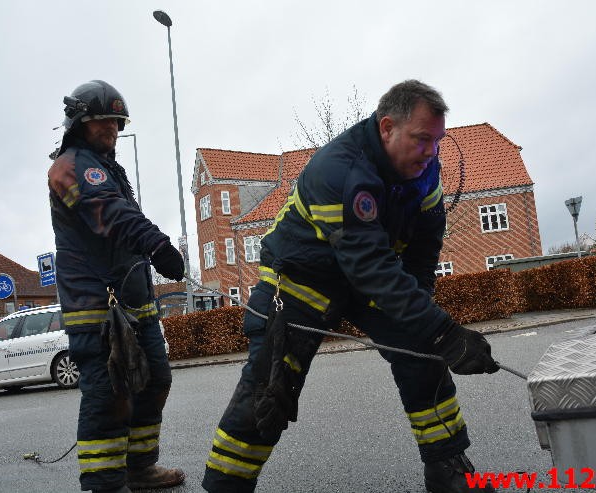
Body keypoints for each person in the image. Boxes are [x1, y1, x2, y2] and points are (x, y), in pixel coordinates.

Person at [202, 80, 498, 493]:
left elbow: (422, 252)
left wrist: (426, 325)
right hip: (301, 278)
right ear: (387, 128)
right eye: (421, 139)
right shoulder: (339, 171)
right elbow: (369, 266)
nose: (431, 151)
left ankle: (447, 467)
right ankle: (225, 484)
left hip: (366, 273)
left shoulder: (425, 172)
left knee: (422, 353)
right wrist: (445, 331)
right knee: (271, 383)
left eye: (438, 141)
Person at [47, 80, 186, 493]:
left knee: (155, 379)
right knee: (109, 394)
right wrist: (159, 245)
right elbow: (112, 212)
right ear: (79, 123)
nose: (113, 129)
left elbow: (120, 214)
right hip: (96, 308)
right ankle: (105, 483)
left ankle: (139, 468)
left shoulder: (108, 169)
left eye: (117, 123)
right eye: (104, 121)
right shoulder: (71, 167)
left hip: (134, 304)